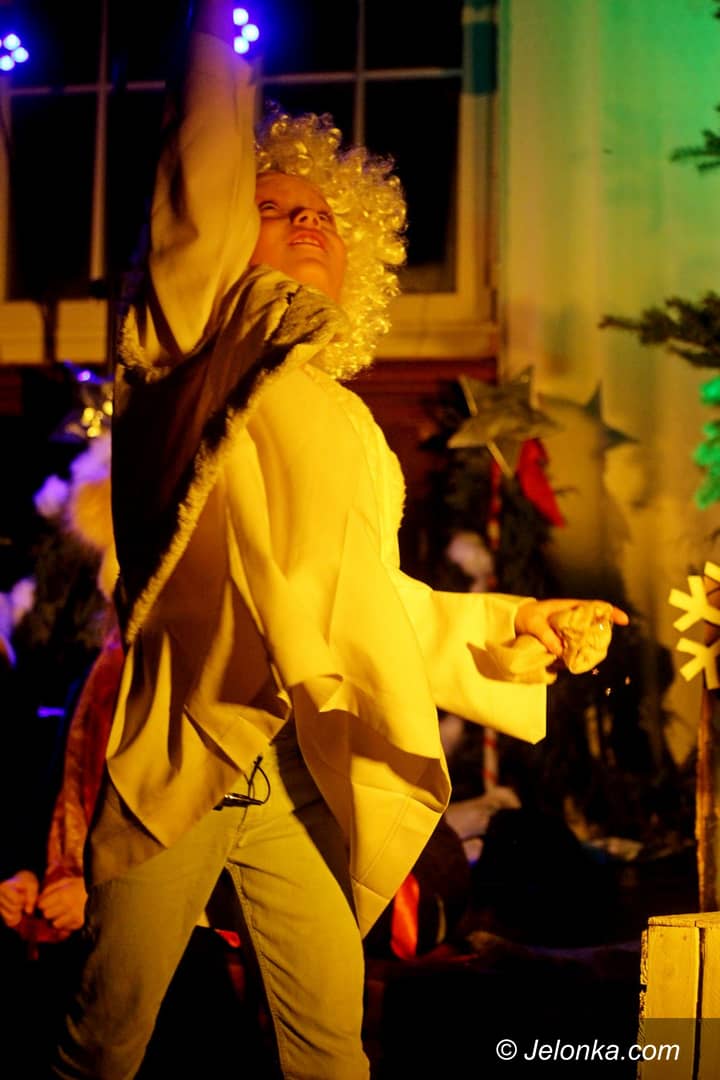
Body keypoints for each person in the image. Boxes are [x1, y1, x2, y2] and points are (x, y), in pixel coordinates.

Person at [53, 3, 628, 1077]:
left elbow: (370, 603)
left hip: (294, 779)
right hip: (181, 762)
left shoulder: (354, 428)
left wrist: (517, 624)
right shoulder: (188, 354)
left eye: (323, 214)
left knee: (331, 1048)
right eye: (271, 208)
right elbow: (197, 181)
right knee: (106, 1041)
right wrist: (215, 40)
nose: (306, 223)